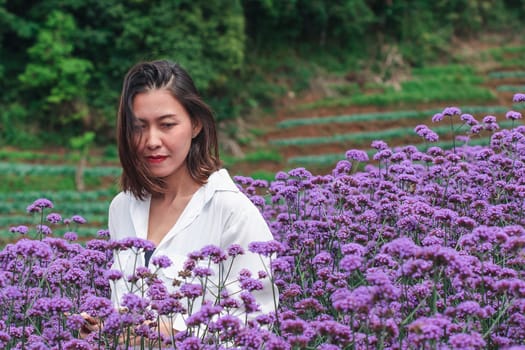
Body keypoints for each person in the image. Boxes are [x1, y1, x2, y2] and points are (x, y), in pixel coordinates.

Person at [103, 60, 277, 339]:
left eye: (167, 125)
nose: (151, 140)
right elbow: (123, 309)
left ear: (195, 124)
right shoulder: (122, 208)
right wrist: (104, 329)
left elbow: (257, 321)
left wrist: (174, 331)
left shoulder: (231, 211)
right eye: (139, 127)